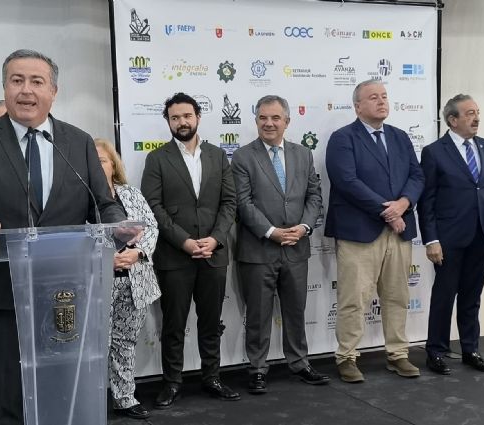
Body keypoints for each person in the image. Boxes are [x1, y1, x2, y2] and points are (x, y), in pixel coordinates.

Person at [0, 49, 126, 424]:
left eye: (36, 82)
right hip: (0, 292)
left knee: (62, 388)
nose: (26, 90)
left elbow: (103, 205)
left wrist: (118, 227)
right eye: (17, 80)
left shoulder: (78, 142)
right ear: (5, 88)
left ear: (53, 92)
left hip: (66, 291)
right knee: (5, 390)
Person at [141, 92, 240, 408]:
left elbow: (229, 203)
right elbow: (153, 207)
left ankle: (212, 378)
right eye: (175, 118)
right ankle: (172, 383)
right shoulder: (157, 159)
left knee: (211, 323)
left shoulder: (217, 156)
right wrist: (183, 241)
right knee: (173, 325)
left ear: (197, 116)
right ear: (168, 122)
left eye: (186, 116)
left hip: (213, 254)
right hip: (174, 257)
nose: (181, 122)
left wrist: (216, 238)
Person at [325, 80, 424, 383]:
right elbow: (347, 181)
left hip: (399, 231)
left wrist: (403, 204)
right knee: (354, 299)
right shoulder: (343, 138)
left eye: (384, 96)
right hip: (359, 232)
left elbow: (417, 175)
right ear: (357, 106)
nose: (381, 102)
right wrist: (388, 212)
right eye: (373, 97)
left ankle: (398, 354)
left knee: (397, 296)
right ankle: (347, 357)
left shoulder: (400, 137)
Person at [231, 95, 329, 395]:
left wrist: (304, 227)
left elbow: (314, 196)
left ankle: (299, 363)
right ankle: (257, 368)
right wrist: (271, 231)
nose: (269, 123)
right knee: (258, 315)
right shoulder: (242, 157)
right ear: (256, 120)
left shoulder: (303, 154)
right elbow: (243, 203)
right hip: (258, 249)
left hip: (296, 247)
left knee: (296, 311)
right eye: (263, 117)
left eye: (275, 118)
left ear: (287, 121)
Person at [417, 94, 484, 375]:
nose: (476, 118)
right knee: (444, 295)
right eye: (469, 113)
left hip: (483, 234)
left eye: (477, 112)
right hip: (448, 238)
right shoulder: (434, 152)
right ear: (452, 120)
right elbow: (426, 201)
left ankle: (470, 349)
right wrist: (431, 239)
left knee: (472, 295)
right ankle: (436, 351)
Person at [94, 138, 160, 419]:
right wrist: (104, 258)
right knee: (97, 344)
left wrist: (139, 252)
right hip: (97, 282)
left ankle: (125, 398)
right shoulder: (77, 197)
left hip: (134, 281)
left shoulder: (131, 193)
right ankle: (92, 401)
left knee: (125, 341)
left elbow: (151, 226)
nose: (98, 166)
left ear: (113, 165)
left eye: (102, 161)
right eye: (92, 162)